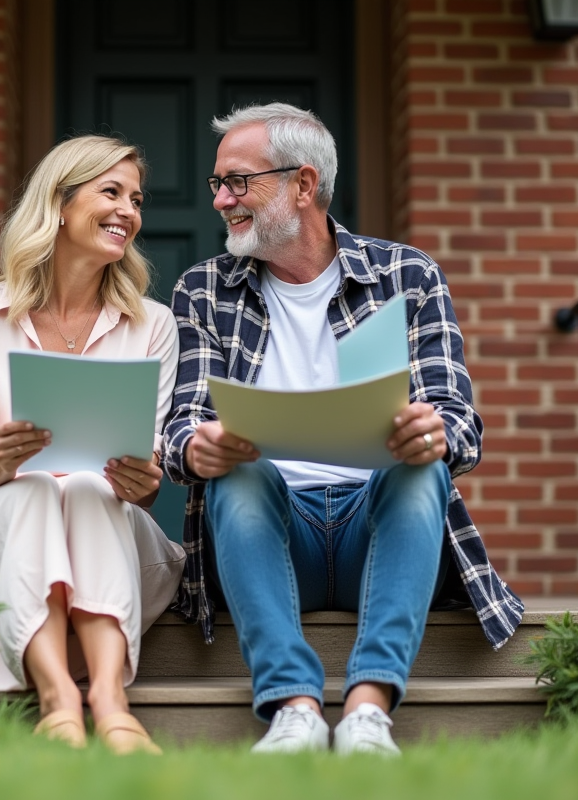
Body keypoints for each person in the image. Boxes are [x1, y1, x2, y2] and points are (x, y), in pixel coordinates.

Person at [161, 103, 523, 755]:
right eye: (217, 183)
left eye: (237, 182)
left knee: (419, 468)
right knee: (238, 473)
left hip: (379, 531)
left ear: (303, 185)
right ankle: (294, 708)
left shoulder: (407, 275)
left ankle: (366, 711)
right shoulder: (203, 290)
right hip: (270, 537)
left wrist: (434, 433)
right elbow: (183, 423)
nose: (219, 200)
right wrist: (197, 446)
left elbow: (457, 417)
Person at [0, 135, 185, 755]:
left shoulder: (153, 324)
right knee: (35, 486)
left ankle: (110, 700)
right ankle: (58, 697)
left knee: (86, 486)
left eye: (137, 199)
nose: (129, 211)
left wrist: (142, 481)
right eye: (111, 192)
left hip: (104, 531)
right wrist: (4, 457)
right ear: (59, 204)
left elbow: (142, 485)